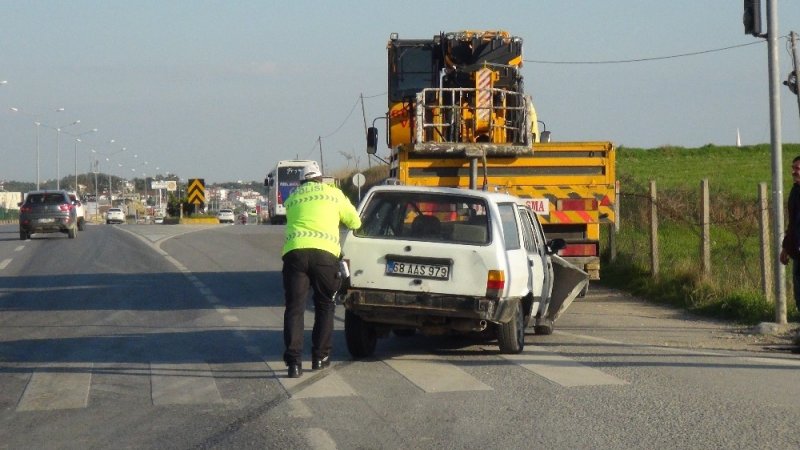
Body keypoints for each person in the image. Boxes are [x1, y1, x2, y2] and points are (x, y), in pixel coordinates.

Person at [281, 163, 361, 378]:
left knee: (294, 309)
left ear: (302, 182)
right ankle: (319, 358)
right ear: (320, 179)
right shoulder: (334, 194)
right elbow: (355, 221)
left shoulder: (293, 198)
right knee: (325, 306)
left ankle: (294, 364)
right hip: (325, 256)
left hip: (295, 255)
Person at [780, 155, 800, 313]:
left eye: (797, 169)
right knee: (798, 288)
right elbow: (793, 223)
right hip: (797, 249)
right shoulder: (795, 191)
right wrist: (786, 247)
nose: (794, 172)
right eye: (793, 168)